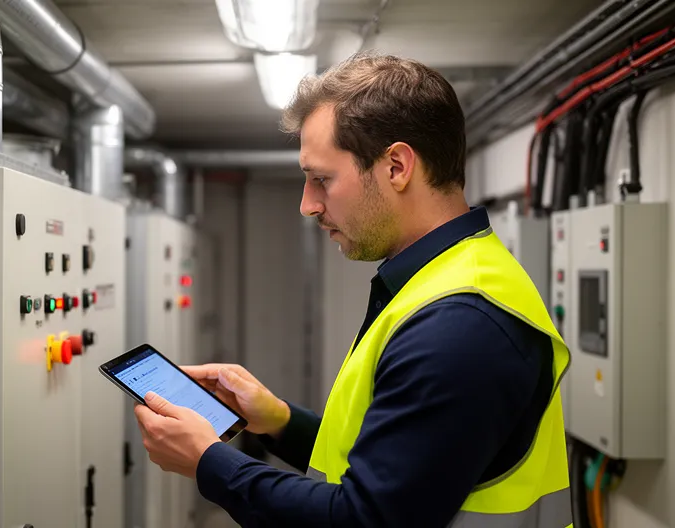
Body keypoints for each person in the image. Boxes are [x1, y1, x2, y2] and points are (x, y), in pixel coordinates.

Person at [133, 52, 573, 528]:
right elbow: (397, 471)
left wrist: (208, 462)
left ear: (397, 167)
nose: (307, 205)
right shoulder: (446, 282)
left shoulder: (461, 323)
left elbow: (365, 518)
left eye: (321, 180)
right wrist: (281, 421)